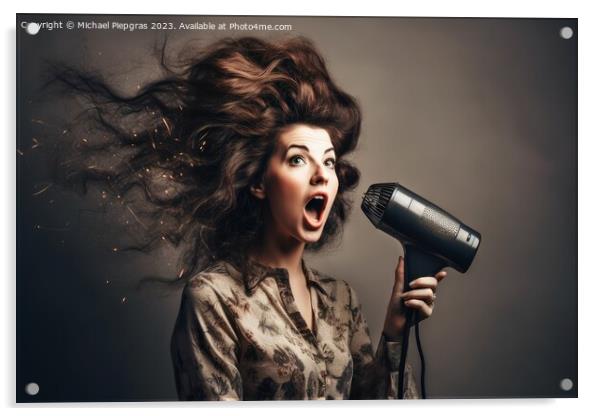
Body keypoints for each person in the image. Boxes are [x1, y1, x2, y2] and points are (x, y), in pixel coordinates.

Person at [47, 35, 446, 401]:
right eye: (297, 160)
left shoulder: (341, 299)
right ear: (257, 181)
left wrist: (396, 330)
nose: (323, 174)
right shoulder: (214, 298)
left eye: (329, 162)